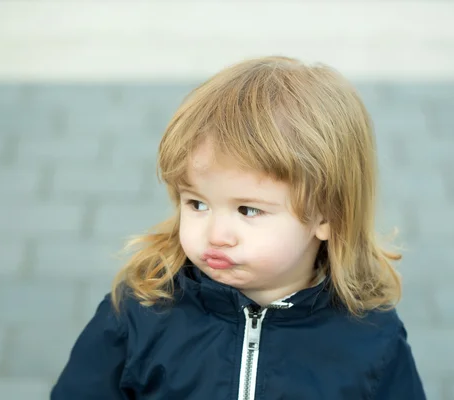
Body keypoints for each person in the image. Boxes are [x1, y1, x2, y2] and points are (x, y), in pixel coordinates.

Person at [50, 56, 426, 399]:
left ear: (327, 215)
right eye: (197, 204)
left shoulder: (373, 339)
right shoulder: (140, 311)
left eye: (248, 210)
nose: (216, 234)